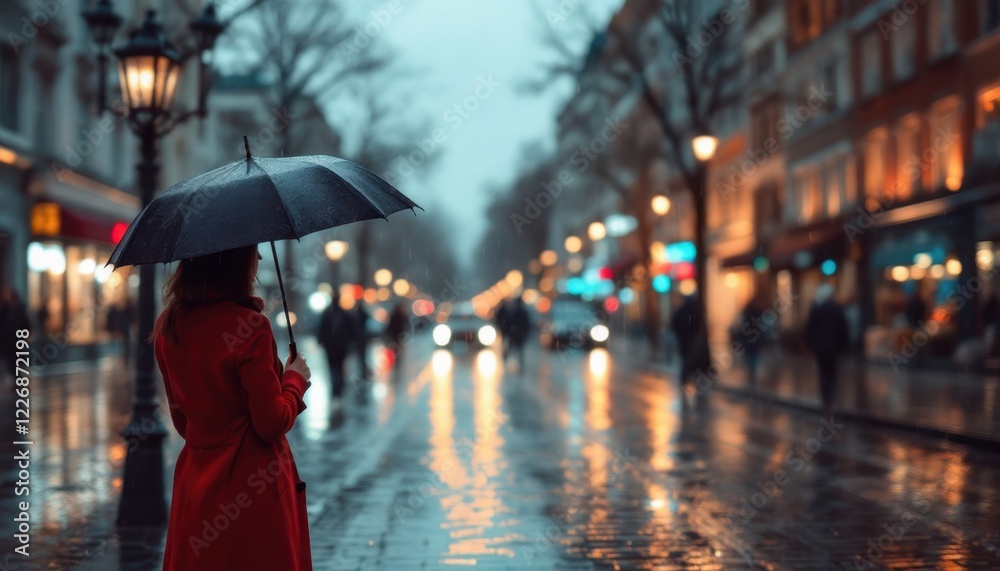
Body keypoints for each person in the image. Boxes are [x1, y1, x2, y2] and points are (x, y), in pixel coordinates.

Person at [151, 245, 312, 570]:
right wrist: (294, 380)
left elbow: (182, 422)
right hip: (252, 491)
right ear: (238, 263)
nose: (259, 261)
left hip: (196, 488)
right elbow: (271, 422)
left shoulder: (168, 325)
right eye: (254, 254)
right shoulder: (251, 327)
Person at [804, 283, 850, 417]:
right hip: (833, 347)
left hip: (821, 347)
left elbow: (809, 328)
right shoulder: (836, 309)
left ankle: (826, 399)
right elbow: (843, 329)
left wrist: (810, 344)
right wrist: (843, 345)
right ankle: (830, 398)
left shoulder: (817, 309)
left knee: (823, 372)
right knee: (832, 372)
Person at [317, 290, 354, 402]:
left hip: (335, 346)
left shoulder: (329, 313)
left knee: (334, 368)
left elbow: (322, 329)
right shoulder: (339, 313)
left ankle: (337, 389)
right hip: (336, 346)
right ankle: (337, 389)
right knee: (336, 368)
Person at [670, 294, 709, 388]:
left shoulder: (682, 311)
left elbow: (674, 325)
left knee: (687, 360)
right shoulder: (693, 311)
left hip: (684, 341)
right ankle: (688, 378)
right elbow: (697, 326)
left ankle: (685, 378)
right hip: (690, 340)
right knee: (689, 360)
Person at [1, 287, 30, 385]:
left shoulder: (19, 309)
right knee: (11, 361)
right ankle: (15, 379)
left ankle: (18, 379)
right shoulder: (6, 310)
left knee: (17, 360)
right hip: (8, 341)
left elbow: (25, 324)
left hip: (16, 340)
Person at [735, 296, 764, 388]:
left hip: (749, 338)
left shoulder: (747, 313)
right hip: (754, 338)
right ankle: (752, 373)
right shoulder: (757, 314)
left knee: (750, 355)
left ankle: (751, 373)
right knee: (753, 355)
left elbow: (743, 326)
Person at [502, 297, 530, 369]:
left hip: (515, 333)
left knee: (511, 348)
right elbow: (526, 324)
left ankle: (505, 360)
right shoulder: (522, 312)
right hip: (518, 334)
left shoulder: (515, 312)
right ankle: (520, 364)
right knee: (517, 349)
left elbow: (510, 323)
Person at [385, 302, 409, 376]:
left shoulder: (397, 316)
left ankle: (396, 368)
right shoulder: (401, 316)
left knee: (396, 354)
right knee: (397, 355)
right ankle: (397, 368)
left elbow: (390, 327)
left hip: (395, 338)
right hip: (398, 338)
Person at [352, 303, 371, 380]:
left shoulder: (357, 315)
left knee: (361, 356)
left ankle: (363, 370)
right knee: (362, 356)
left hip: (360, 339)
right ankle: (363, 370)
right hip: (361, 339)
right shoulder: (360, 315)